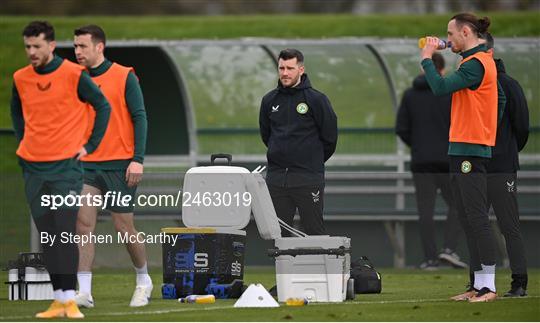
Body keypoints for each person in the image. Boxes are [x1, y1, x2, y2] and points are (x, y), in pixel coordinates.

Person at [10, 21, 111, 318]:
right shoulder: (20, 78)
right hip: (33, 168)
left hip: (66, 168)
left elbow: (102, 106)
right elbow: (16, 112)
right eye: (27, 46)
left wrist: (89, 146)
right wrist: (24, 141)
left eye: (37, 46)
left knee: (65, 232)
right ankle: (58, 299)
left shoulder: (73, 74)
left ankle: (70, 299)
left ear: (51, 46)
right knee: (48, 235)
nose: (32, 52)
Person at [420, 13, 506, 302]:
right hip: (462, 148)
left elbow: (440, 87)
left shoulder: (478, 64)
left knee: (477, 218)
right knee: (468, 218)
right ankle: (477, 284)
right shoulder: (474, 62)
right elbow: (500, 100)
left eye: (451, 33)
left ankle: (489, 287)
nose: (448, 38)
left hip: (471, 150)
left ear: (466, 32)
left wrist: (427, 58)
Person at [72, 25, 152, 308]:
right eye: (75, 46)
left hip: (121, 165)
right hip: (87, 167)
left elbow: (140, 118)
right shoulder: (75, 78)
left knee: (123, 227)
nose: (77, 51)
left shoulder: (123, 75)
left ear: (99, 47)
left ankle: (143, 280)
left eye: (82, 46)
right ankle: (84, 291)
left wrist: (137, 160)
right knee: (83, 225)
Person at [396, 53, 466, 270]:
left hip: (421, 162)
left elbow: (402, 129)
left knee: (425, 211)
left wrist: (417, 145)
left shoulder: (410, 95)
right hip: (448, 160)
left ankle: (430, 260)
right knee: (458, 204)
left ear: (423, 69)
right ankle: (449, 249)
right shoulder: (450, 93)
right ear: (442, 71)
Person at [259, 48, 338, 236]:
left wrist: (310, 160)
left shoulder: (317, 99)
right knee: (278, 233)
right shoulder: (269, 100)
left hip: (308, 178)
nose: (285, 73)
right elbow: (266, 136)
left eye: (290, 68)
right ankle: (285, 267)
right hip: (277, 180)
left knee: (314, 231)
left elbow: (330, 138)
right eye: (281, 68)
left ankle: (317, 266)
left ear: (301, 70)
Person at [484, 33, 530, 297]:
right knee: (476, 224)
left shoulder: (509, 85)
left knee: (508, 225)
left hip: (501, 167)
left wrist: (506, 151)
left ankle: (519, 281)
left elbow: (521, 127)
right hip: (478, 166)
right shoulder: (473, 84)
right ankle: (480, 283)